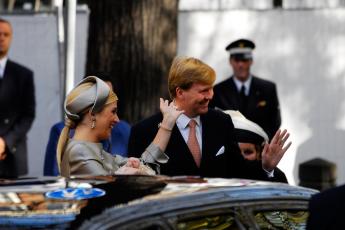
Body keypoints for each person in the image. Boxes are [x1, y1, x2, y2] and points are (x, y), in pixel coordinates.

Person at [128, 56, 290, 180]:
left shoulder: (221, 122)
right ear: (180, 92)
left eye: (211, 89)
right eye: (203, 91)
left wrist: (266, 167)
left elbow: (238, 171)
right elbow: (138, 185)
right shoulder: (144, 131)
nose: (210, 96)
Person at [57, 76, 183, 177]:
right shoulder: (80, 152)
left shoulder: (93, 151)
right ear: (93, 114)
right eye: (113, 111)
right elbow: (108, 193)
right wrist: (123, 175)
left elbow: (145, 165)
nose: (117, 120)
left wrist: (167, 123)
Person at [43, 73, 131, 176]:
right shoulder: (65, 135)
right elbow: (52, 176)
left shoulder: (123, 129)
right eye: (103, 97)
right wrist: (125, 173)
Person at [209, 38, 281, 140]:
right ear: (230, 61)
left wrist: (262, 145)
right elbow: (214, 122)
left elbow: (274, 122)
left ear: (251, 61)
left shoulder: (268, 89)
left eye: (244, 60)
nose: (241, 65)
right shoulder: (218, 90)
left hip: (259, 149)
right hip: (230, 150)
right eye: (237, 60)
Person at [0, 18, 35, 178]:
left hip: (13, 155)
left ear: (11, 37)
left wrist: (5, 142)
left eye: (5, 34)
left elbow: (28, 115)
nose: (1, 37)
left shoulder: (23, 75)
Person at [224, 110, 288, 183]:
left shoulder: (275, 175)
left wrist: (267, 170)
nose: (241, 157)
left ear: (259, 155)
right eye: (235, 151)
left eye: (248, 152)